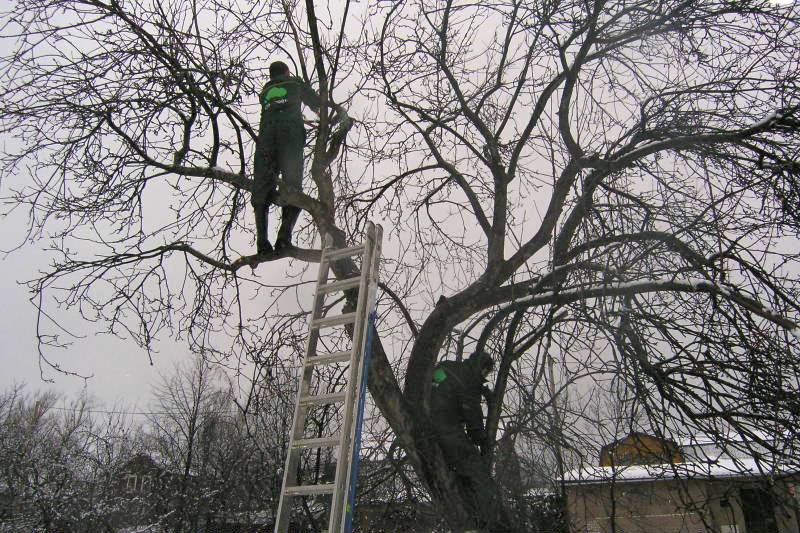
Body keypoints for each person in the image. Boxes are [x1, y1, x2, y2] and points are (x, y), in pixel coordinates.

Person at [430, 350, 512, 532]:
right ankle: (490, 523)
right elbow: (473, 418)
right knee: (479, 474)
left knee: (459, 475)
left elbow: (439, 385)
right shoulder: (469, 380)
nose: (485, 377)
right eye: (486, 373)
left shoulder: (446, 367)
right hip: (448, 430)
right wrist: (482, 440)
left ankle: (468, 518)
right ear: (482, 368)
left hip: (428, 430)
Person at [252, 61, 322, 254]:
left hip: (266, 139)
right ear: (286, 72)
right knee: (294, 189)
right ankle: (283, 238)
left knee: (261, 189)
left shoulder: (264, 93)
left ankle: (262, 242)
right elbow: (316, 101)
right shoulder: (294, 84)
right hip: (289, 137)